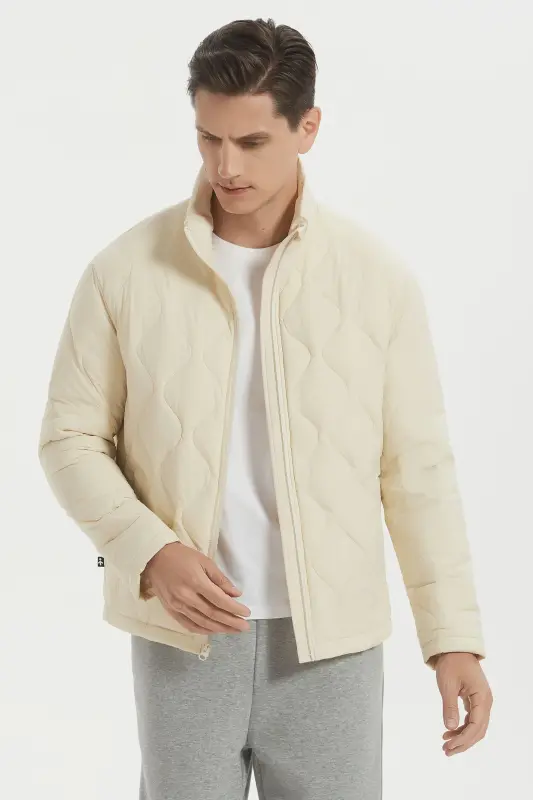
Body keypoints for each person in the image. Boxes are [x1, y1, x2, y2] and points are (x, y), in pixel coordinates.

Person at [38, 16, 493, 800]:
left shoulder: (375, 280)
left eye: (251, 142)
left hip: (331, 647)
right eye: (208, 138)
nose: (226, 165)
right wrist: (149, 549)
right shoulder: (125, 271)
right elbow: (68, 438)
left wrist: (452, 638)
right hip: (185, 636)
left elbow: (416, 471)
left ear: (306, 127)